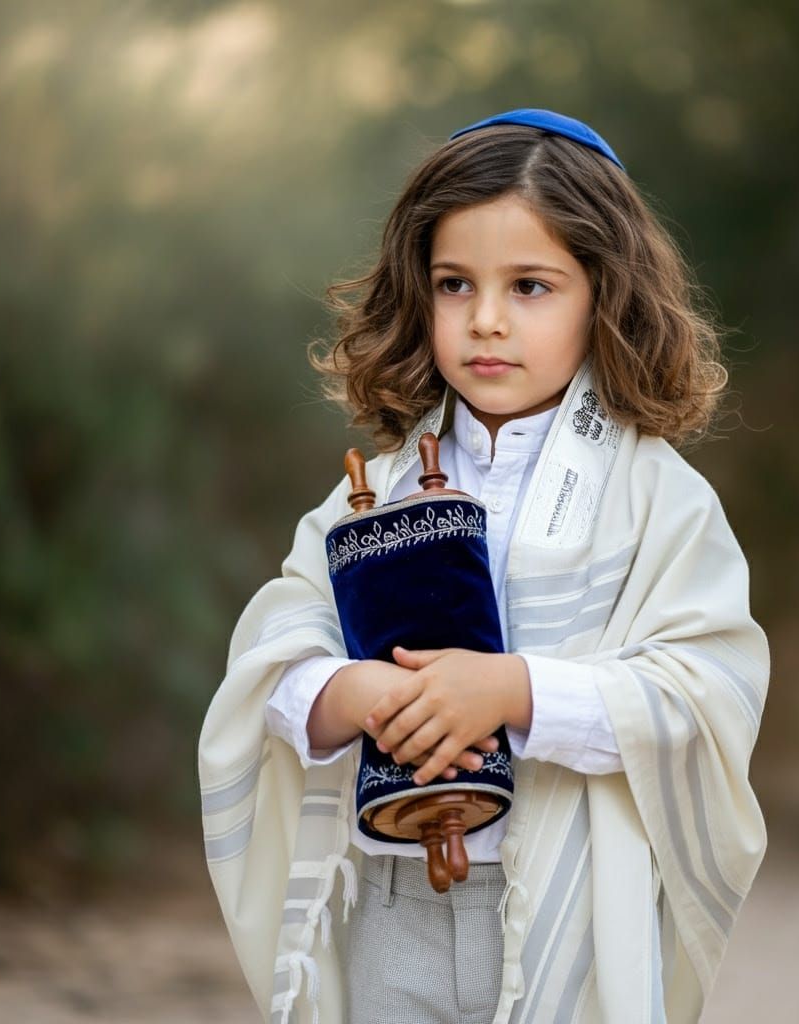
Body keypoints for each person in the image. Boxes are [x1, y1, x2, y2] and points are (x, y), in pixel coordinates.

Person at [198, 109, 769, 1024]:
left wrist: (511, 692)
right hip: (392, 906)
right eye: (455, 284)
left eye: (532, 286)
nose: (487, 320)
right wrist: (350, 696)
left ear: (605, 295)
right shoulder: (372, 492)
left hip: (572, 899)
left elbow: (708, 693)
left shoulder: (658, 499)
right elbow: (275, 648)